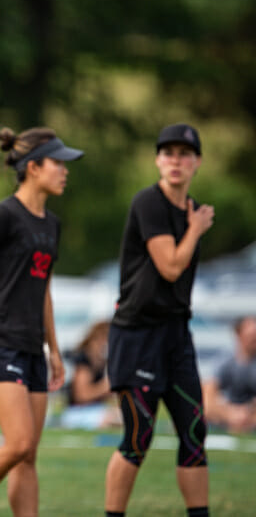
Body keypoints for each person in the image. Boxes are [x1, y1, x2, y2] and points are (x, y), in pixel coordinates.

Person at [0, 126, 83, 516]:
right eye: (58, 163)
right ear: (33, 167)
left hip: (32, 348)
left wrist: (54, 351)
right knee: (20, 442)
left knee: (28, 456)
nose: (64, 171)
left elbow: (44, 293)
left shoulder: (51, 225)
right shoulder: (2, 216)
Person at [104, 123, 214, 517]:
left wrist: (194, 225)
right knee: (138, 436)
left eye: (185, 154)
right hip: (138, 336)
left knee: (195, 433)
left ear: (197, 162)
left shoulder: (191, 209)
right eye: (168, 153)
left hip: (176, 336)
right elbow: (169, 266)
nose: (176, 160)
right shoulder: (148, 203)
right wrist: (196, 229)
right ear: (157, 160)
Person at [61, 320, 120, 430]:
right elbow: (81, 396)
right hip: (78, 412)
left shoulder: (102, 362)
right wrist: (105, 387)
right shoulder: (84, 361)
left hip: (95, 409)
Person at [202, 316, 256, 433]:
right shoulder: (224, 361)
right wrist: (230, 415)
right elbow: (208, 396)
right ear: (239, 334)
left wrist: (247, 415)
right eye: (250, 336)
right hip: (226, 413)